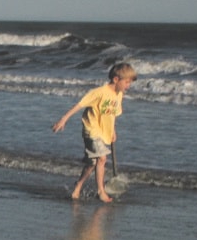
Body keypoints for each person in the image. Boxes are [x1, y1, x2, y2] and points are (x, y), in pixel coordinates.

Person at [52, 62, 136, 203]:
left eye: (130, 83)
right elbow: (80, 104)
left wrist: (113, 130)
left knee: (92, 164)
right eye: (127, 82)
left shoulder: (119, 95)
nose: (128, 86)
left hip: (104, 132)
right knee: (102, 159)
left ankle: (78, 185)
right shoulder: (99, 92)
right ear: (116, 79)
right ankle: (101, 191)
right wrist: (63, 119)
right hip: (91, 130)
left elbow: (112, 114)